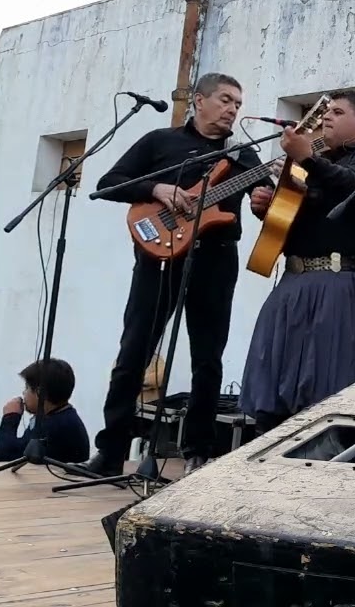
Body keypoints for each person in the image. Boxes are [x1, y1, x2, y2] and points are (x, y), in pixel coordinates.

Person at [81, 72, 272, 476]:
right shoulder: (160, 142)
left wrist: (264, 200)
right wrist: (156, 189)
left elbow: (268, 198)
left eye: (237, 103)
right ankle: (111, 451)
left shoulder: (245, 154)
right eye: (225, 100)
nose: (232, 109)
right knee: (133, 352)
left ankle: (198, 452)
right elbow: (108, 183)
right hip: (158, 259)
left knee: (208, 357)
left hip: (216, 259)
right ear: (198, 101)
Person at [240, 90, 355, 435]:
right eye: (326, 113)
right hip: (293, 282)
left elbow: (351, 186)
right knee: (272, 371)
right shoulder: (315, 167)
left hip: (335, 282)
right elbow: (293, 223)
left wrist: (308, 159)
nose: (326, 118)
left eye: (337, 112)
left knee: (324, 380)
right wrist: (268, 206)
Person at [0, 358, 89, 464]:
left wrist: (10, 418)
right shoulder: (60, 417)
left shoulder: (55, 426)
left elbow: (7, 457)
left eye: (27, 388)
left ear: (40, 393)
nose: (24, 393)